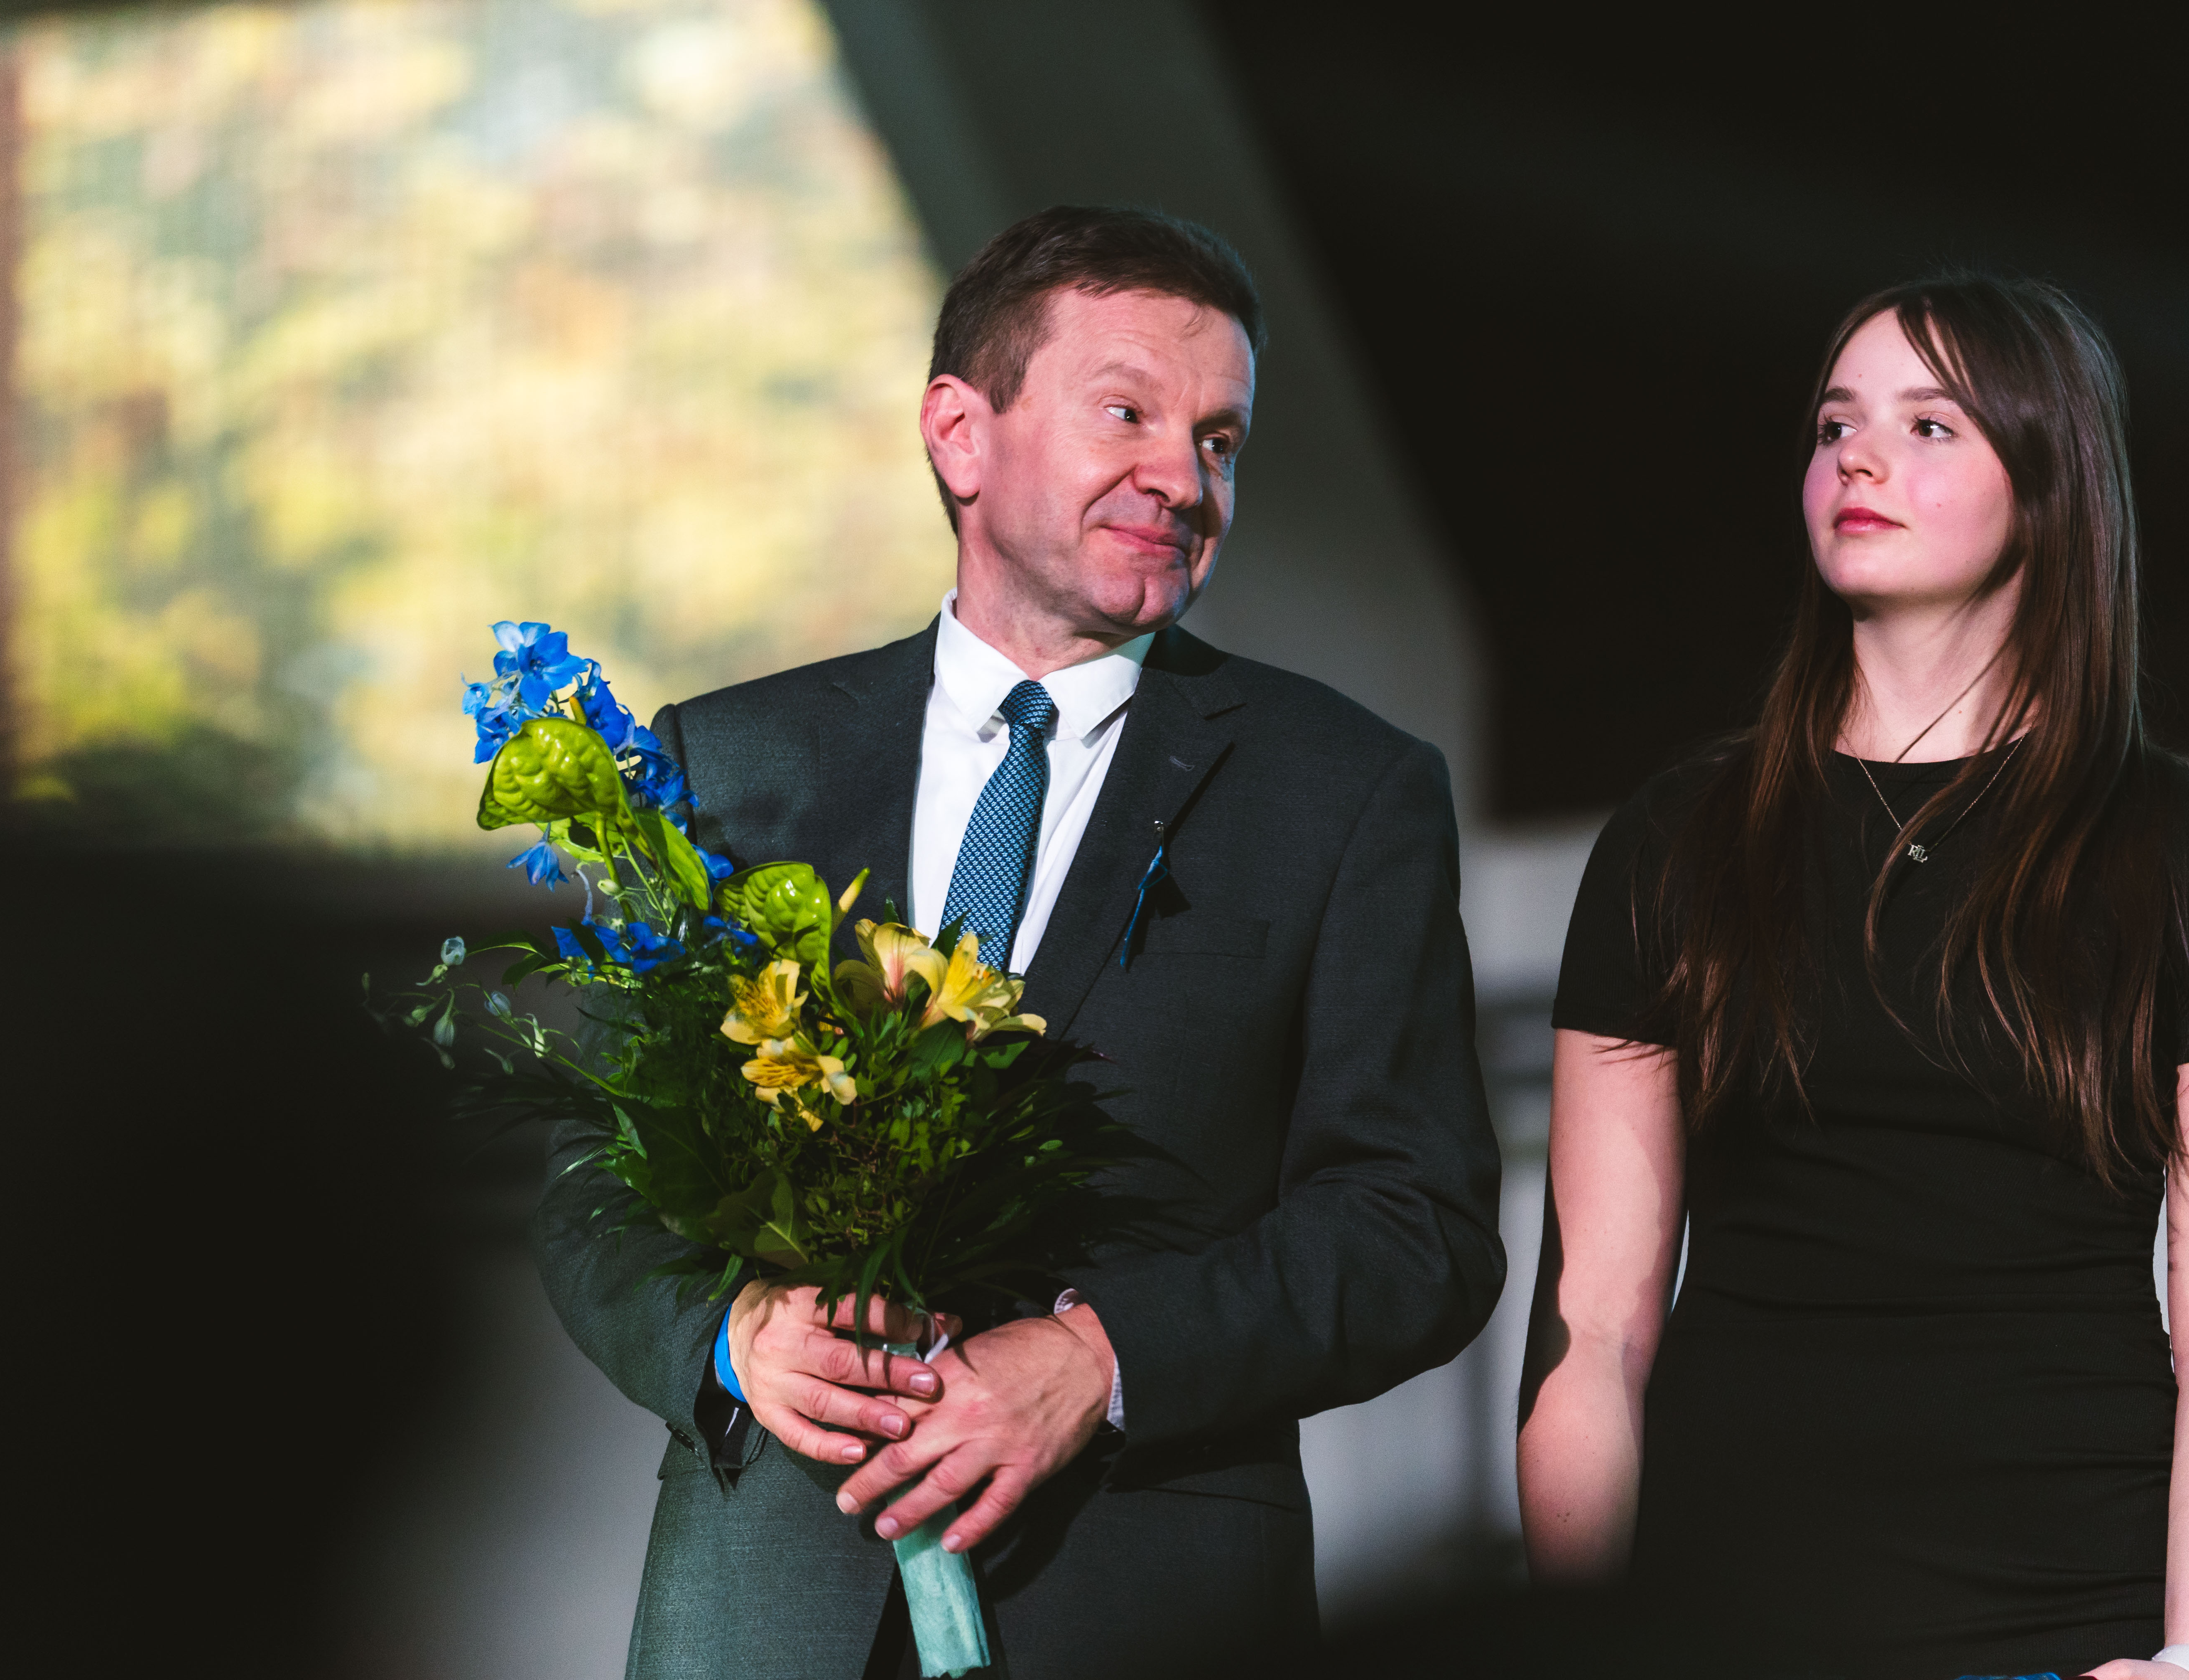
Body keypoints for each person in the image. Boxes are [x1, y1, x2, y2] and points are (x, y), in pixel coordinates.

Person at [533, 205, 1505, 1679]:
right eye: (1128, 413)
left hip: (1144, 1607)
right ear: (959, 434)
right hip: (765, 1615)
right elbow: (589, 1179)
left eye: (1221, 441)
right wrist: (731, 1337)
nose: (1182, 479)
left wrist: (1105, 1358)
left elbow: (1414, 1223)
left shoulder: (1346, 790)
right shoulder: (727, 766)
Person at [1516, 275, 2189, 1680]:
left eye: (1928, 426)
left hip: (2060, 1628)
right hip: (1720, 1629)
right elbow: (1594, 1322)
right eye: (1835, 426)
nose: (1857, 461)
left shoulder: (2186, 854)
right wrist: (1583, 1646)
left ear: (2049, 484)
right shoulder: (1676, 840)